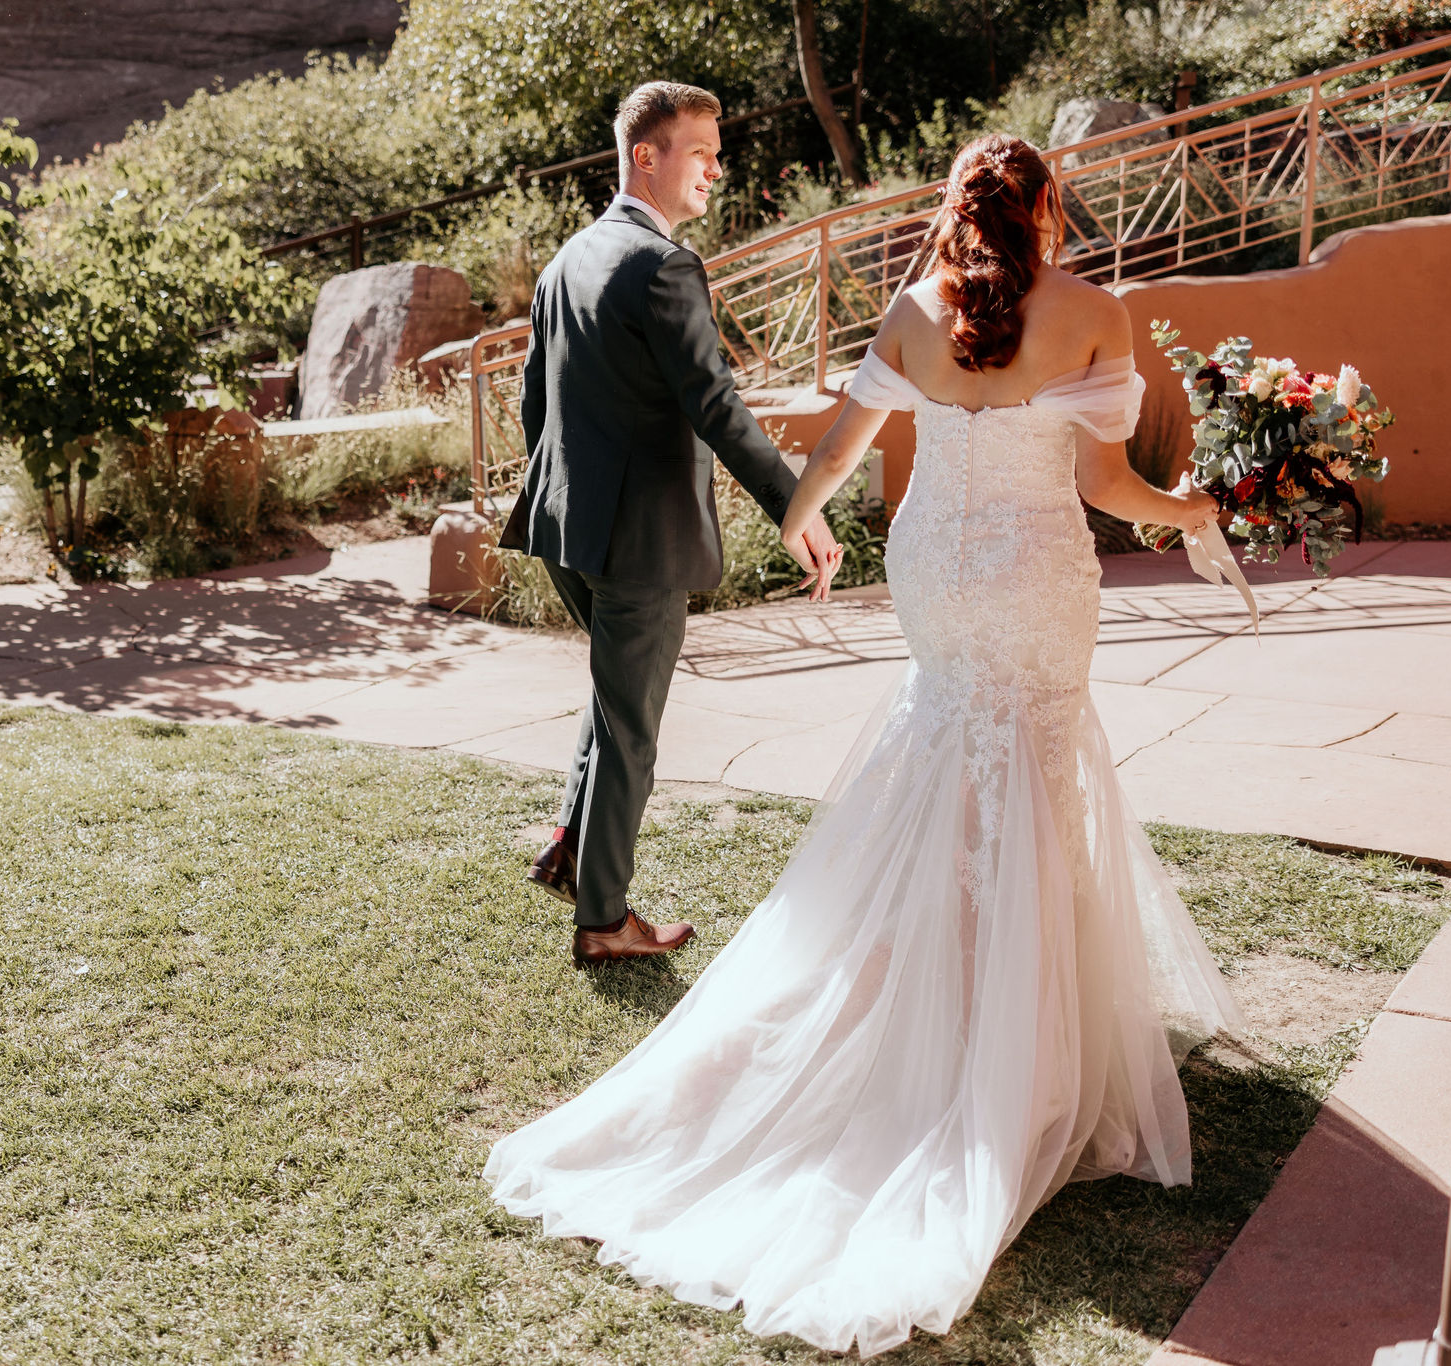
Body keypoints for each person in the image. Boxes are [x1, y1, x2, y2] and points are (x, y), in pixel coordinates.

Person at [485, 132, 1245, 1355]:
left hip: (936, 572)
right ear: (1045, 208)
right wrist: (1200, 508)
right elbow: (1110, 488)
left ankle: (932, 988)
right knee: (1033, 764)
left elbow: (837, 451)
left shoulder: (911, 309)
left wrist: (799, 522)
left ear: (955, 208)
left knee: (943, 752)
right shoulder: (1094, 311)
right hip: (1032, 574)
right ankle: (1008, 1029)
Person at [501, 81, 843, 964]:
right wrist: (797, 510)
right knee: (633, 727)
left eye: (717, 154)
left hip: (565, 527)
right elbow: (717, 407)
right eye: (701, 152)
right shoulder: (663, 265)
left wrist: (562, 498)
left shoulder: (566, 260)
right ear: (645, 155)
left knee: (615, 701)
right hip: (640, 542)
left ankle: (574, 847)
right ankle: (605, 921)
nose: (715, 171)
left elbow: (534, 408)